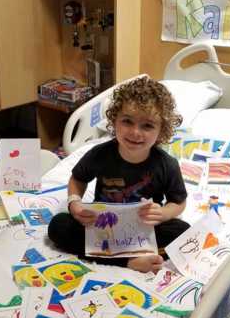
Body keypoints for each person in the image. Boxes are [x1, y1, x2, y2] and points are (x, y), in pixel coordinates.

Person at [48, 75, 190, 274]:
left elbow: (178, 202)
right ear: (114, 121)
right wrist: (74, 203)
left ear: (162, 130)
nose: (135, 132)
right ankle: (130, 261)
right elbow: (78, 179)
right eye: (127, 121)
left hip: (144, 229)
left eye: (147, 125)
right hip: (102, 227)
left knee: (184, 233)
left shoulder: (167, 164)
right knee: (58, 226)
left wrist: (163, 213)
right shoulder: (99, 154)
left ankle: (121, 255)